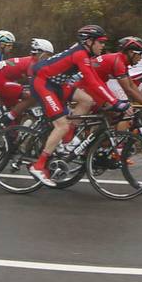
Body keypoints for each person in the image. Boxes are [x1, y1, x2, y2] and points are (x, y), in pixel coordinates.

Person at [27, 24, 114, 185]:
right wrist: (115, 101)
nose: (103, 46)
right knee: (61, 125)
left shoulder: (84, 53)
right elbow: (93, 82)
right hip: (43, 83)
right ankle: (38, 166)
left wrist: (113, 100)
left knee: (87, 100)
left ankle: (67, 141)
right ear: (89, 41)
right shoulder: (80, 54)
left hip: (57, 84)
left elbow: (95, 80)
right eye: (100, 42)